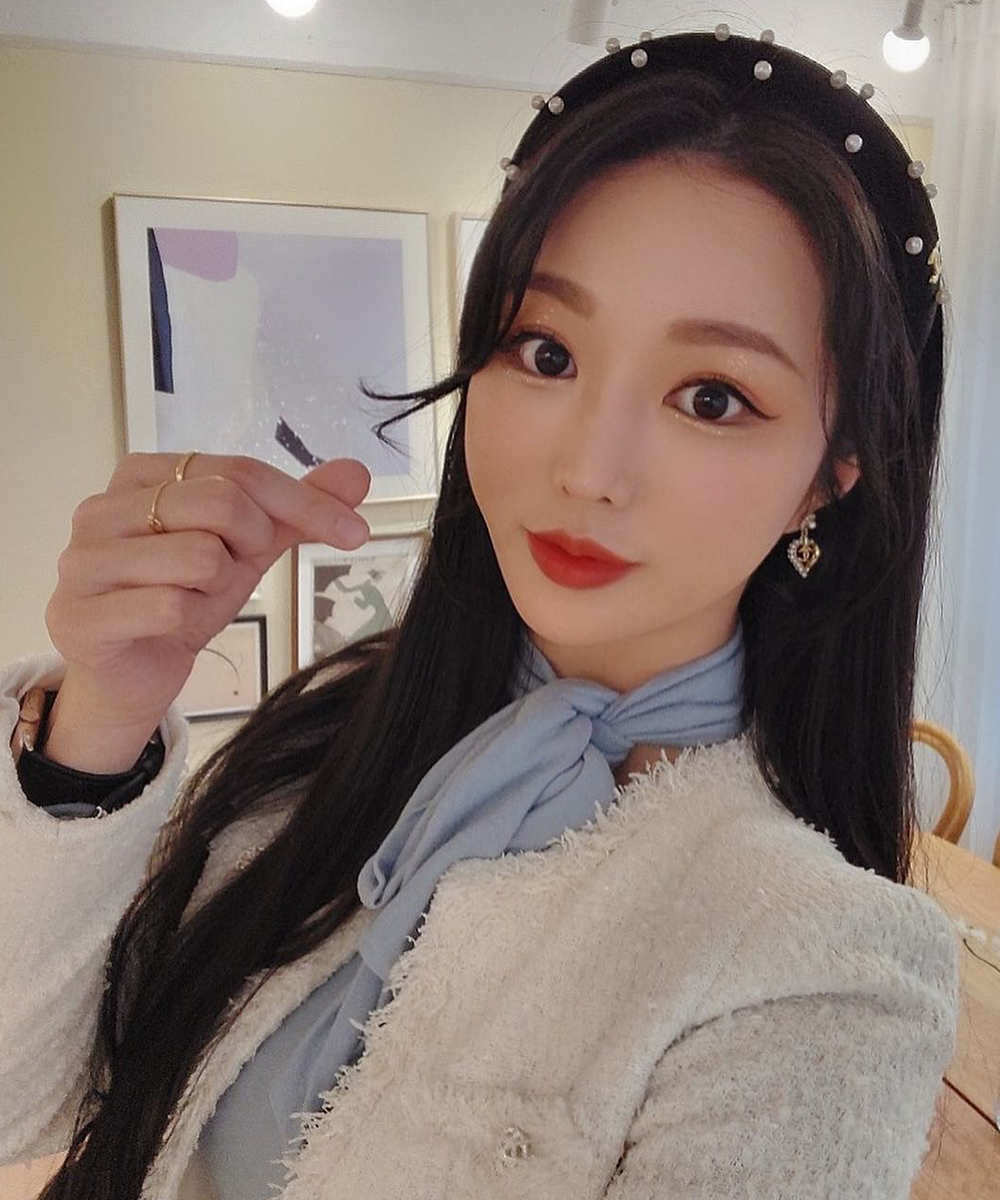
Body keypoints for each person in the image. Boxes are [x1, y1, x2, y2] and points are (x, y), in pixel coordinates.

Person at [0, 26, 958, 1200]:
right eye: (544, 352)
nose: (587, 470)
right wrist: (101, 717)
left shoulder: (821, 966)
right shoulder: (323, 745)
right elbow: (20, 1103)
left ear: (835, 469)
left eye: (712, 397)